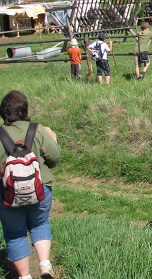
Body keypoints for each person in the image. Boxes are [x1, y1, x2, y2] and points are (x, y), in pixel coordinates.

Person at [0, 90, 61, 279]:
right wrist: (53, 139)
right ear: (25, 110)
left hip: (7, 193)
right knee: (40, 223)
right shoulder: (38, 129)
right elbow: (54, 158)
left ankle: (25, 276)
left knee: (15, 234)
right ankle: (44, 266)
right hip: (39, 188)